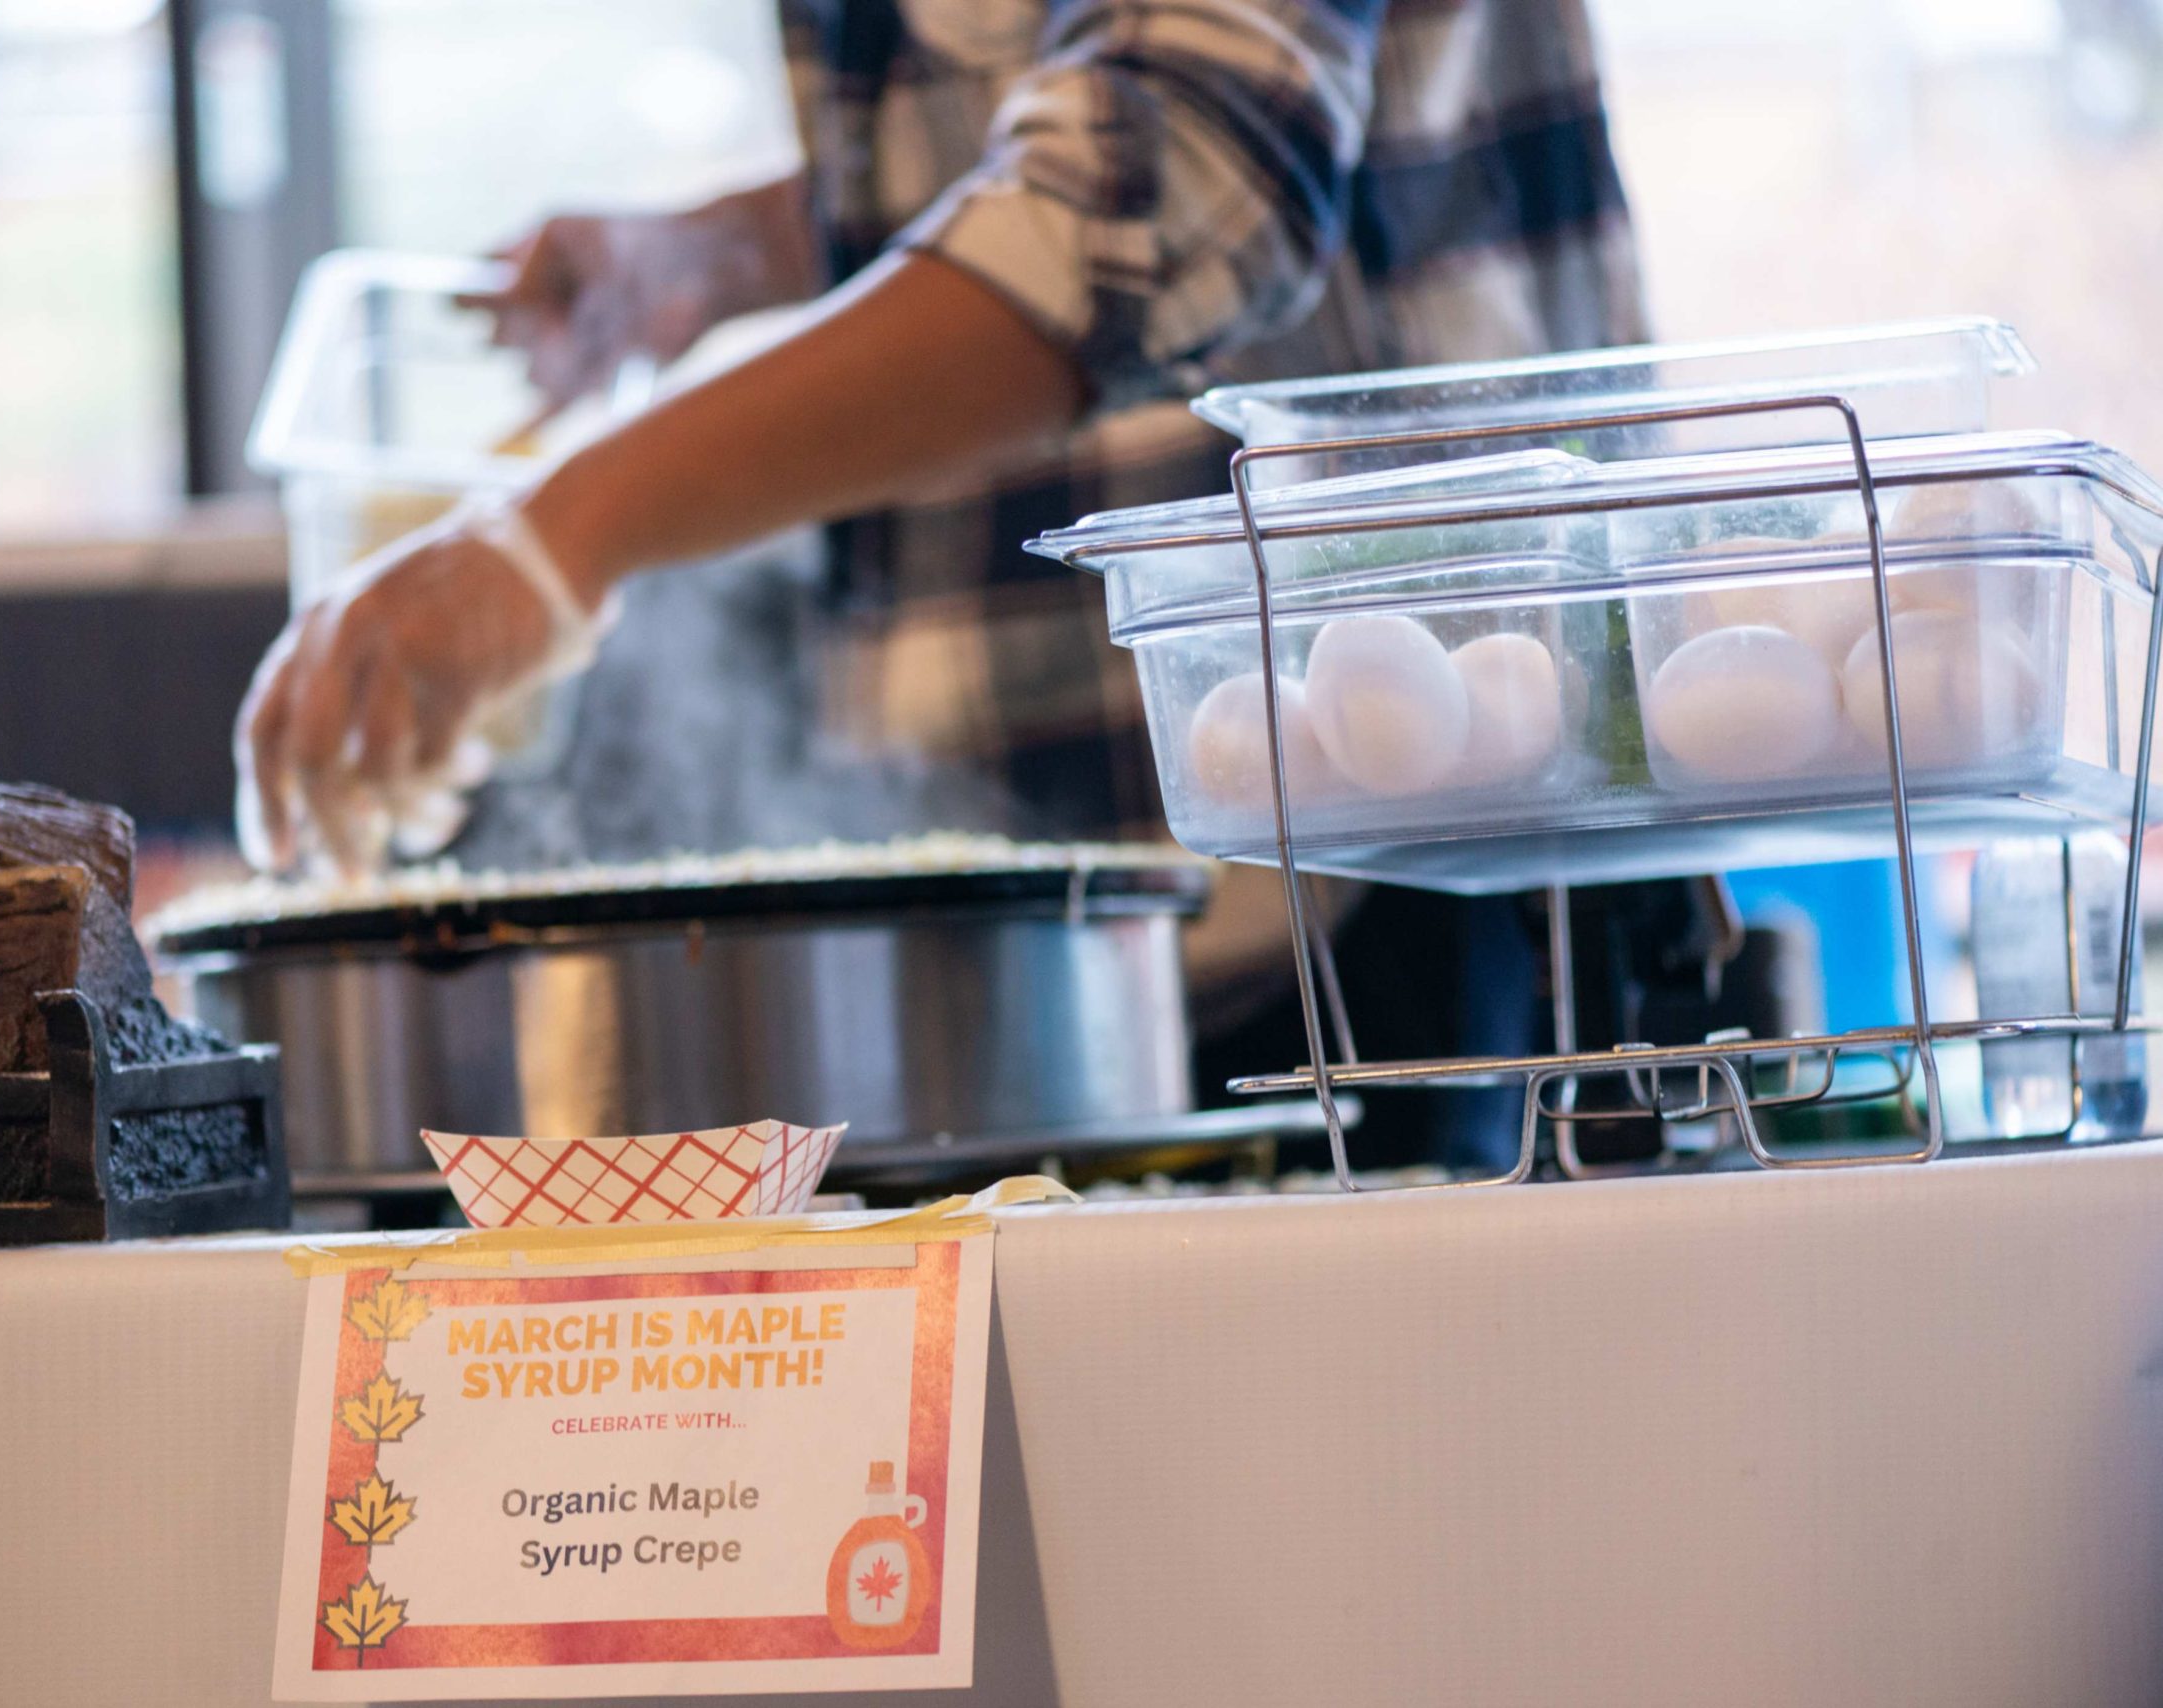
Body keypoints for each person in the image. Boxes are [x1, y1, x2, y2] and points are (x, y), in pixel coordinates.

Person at [236, 0, 1646, 1166]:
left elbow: (1172, 177)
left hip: (1383, 862)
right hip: (1040, 915)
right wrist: (719, 254)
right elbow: (1034, 129)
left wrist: (553, 542)